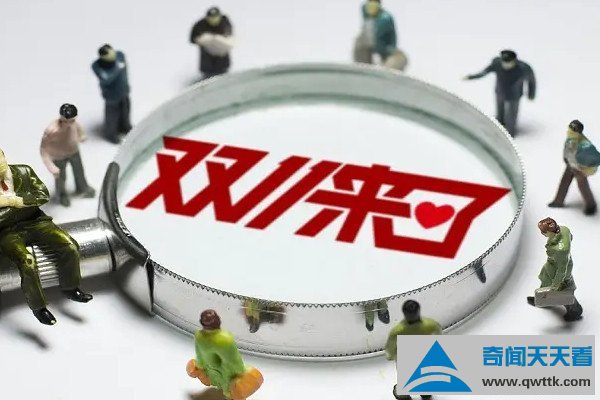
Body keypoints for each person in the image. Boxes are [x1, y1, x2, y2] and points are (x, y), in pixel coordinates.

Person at [0, 149, 92, 325]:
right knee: (27, 261)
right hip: (6, 232)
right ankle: (39, 307)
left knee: (70, 246)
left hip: (37, 222)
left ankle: (71, 287)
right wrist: (16, 207)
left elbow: (42, 195)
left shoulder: (24, 171)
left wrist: (16, 202)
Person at [186, 309, 263, 399]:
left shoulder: (209, 337)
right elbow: (233, 361)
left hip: (220, 370)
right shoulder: (223, 339)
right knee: (228, 387)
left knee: (229, 388)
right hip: (219, 370)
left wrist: (201, 365)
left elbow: (232, 360)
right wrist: (239, 371)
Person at [465, 50, 536, 137]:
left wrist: (531, 93)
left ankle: (510, 133)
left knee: (511, 115)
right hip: (500, 92)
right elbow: (484, 72)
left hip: (514, 95)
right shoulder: (497, 64)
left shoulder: (523, 68)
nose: (506, 65)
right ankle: (499, 127)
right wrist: (471, 77)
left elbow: (531, 81)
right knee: (499, 113)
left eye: (509, 63)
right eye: (504, 63)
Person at [527, 218, 583, 322]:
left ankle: (575, 310)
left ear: (548, 232)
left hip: (560, 269)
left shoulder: (560, 249)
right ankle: (542, 299)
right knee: (545, 279)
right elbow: (571, 237)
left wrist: (556, 285)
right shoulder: (564, 229)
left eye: (543, 232)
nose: (542, 233)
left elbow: (562, 270)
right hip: (552, 264)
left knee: (562, 290)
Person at [40, 104, 95, 207]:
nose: (69, 124)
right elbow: (43, 151)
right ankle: (61, 195)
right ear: (61, 118)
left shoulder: (74, 123)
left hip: (74, 152)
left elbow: (78, 128)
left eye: (72, 120)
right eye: (66, 121)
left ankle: (82, 188)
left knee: (79, 171)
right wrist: (51, 167)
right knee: (60, 177)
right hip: (59, 157)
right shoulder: (51, 130)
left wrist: (82, 136)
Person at [386, 300, 441, 400]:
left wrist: (391, 355)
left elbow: (390, 346)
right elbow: (438, 333)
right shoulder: (430, 324)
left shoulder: (398, 330)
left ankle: (403, 395)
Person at [548, 120, 600, 215]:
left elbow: (592, 155)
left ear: (578, 131)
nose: (570, 130)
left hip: (580, 168)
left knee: (583, 186)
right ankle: (558, 201)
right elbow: (568, 149)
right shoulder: (570, 138)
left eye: (573, 129)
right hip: (571, 164)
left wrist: (585, 167)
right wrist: (566, 159)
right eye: (570, 127)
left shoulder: (584, 143)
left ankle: (591, 206)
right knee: (564, 181)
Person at [91, 44, 132, 144]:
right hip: (111, 95)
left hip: (123, 90)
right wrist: (117, 68)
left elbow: (124, 68)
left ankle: (125, 127)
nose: (113, 57)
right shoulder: (97, 66)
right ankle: (111, 134)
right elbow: (106, 78)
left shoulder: (120, 55)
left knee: (125, 111)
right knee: (112, 116)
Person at [353, 0, 407, 71]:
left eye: (375, 3)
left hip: (386, 49)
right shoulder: (365, 11)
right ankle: (362, 69)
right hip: (368, 50)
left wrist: (388, 50)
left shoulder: (385, 19)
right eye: (370, 3)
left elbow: (387, 39)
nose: (372, 6)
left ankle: (386, 72)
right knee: (359, 41)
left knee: (399, 58)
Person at [190, 7, 234, 80]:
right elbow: (192, 39)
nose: (213, 20)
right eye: (211, 18)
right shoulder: (200, 25)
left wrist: (219, 39)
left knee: (223, 72)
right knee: (208, 74)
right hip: (207, 61)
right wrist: (202, 40)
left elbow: (229, 34)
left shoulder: (224, 22)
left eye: (215, 18)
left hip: (222, 60)